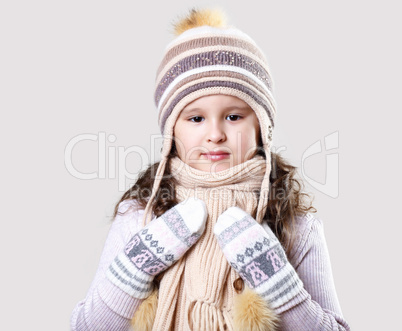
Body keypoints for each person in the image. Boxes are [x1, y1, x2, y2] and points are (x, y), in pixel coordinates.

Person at [70, 7, 350, 331]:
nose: (215, 134)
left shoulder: (297, 227)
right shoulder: (140, 217)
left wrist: (280, 286)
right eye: (196, 118)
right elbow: (87, 327)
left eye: (233, 116)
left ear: (262, 128)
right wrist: (136, 266)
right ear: (171, 131)